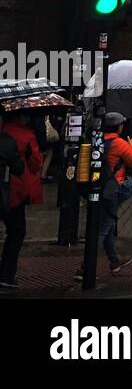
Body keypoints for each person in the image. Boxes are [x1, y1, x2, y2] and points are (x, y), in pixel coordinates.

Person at [79, 112, 132, 279]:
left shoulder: (96, 140)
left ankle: (114, 261)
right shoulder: (119, 143)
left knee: (108, 225)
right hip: (113, 189)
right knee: (103, 229)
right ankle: (86, 268)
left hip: (98, 187)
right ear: (119, 127)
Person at [1, 110, 42, 289]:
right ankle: (6, 274)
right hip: (14, 189)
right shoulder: (24, 135)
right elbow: (35, 163)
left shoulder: (4, 130)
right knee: (17, 230)